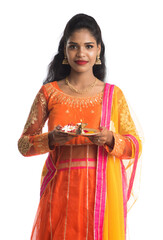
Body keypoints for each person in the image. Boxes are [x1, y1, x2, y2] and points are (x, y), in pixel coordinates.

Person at [18, 13, 142, 240]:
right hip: (60, 193)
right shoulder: (49, 93)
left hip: (102, 196)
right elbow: (24, 144)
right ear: (64, 51)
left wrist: (111, 139)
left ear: (98, 51)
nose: (81, 53)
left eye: (88, 46)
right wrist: (51, 139)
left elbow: (134, 145)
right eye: (73, 46)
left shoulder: (113, 95)